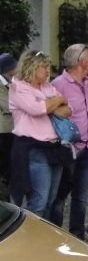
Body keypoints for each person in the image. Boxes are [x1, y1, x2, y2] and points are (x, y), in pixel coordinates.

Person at [8, 50, 72, 216]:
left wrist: (49, 106)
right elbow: (37, 109)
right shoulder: (19, 87)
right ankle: (28, 231)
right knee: (39, 201)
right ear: (32, 67)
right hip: (33, 147)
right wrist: (57, 101)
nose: (47, 70)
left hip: (54, 146)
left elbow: (68, 110)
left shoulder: (47, 86)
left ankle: (45, 231)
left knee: (51, 199)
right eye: (44, 67)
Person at [48, 44, 88, 239]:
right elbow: (52, 116)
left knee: (81, 197)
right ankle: (55, 237)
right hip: (69, 148)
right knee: (60, 195)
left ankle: (77, 237)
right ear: (80, 61)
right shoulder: (58, 84)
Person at [0, 53, 18, 201]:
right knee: (4, 169)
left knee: (9, 170)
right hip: (2, 132)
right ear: (8, 68)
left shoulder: (11, 83)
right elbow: (8, 106)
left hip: (11, 131)